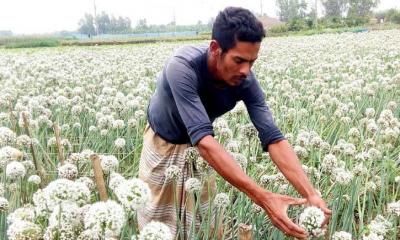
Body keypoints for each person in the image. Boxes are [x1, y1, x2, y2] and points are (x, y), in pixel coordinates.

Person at [137, 6, 331, 239]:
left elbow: (273, 137)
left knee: (206, 225)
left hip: (200, 150)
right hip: (163, 144)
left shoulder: (246, 80)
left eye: (252, 61)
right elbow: (205, 141)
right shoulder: (183, 67)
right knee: (156, 223)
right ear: (215, 49)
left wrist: (310, 193)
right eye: (239, 60)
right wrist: (264, 198)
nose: (246, 70)